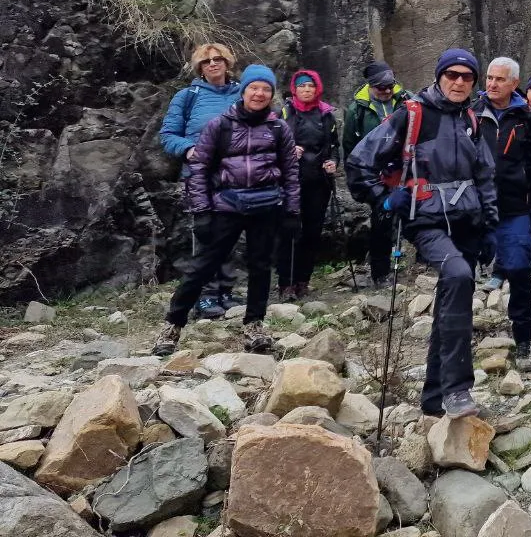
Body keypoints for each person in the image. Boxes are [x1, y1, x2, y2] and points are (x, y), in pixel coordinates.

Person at [346, 48, 499, 418]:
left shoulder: (472, 118)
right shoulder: (412, 114)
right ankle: (459, 390)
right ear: (440, 76)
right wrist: (384, 199)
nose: (460, 82)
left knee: (453, 298)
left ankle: (433, 399)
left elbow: (484, 174)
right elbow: (359, 161)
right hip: (425, 220)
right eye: (453, 75)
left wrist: (490, 225)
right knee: (459, 277)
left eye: (467, 77)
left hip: (467, 220)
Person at [152, 65, 300, 356]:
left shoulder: (278, 128)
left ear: (271, 95)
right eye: (254, 88)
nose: (259, 94)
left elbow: (290, 172)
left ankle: (254, 326)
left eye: (265, 89)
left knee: (260, 267)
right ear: (243, 90)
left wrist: (293, 213)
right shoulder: (219, 125)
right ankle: (172, 325)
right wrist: (202, 212)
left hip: (265, 206)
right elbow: (199, 169)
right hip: (226, 206)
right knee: (202, 267)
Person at [473, 57, 531, 372]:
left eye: (499, 79)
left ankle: (523, 338)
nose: (491, 84)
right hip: (475, 208)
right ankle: (456, 336)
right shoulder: (471, 113)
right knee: (462, 272)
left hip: (515, 207)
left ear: (514, 84)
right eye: (489, 78)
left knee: (520, 269)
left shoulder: (527, 118)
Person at [158, 43, 243, 320]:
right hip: (200, 176)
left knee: (231, 233)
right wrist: (189, 149)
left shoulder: (242, 93)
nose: (213, 64)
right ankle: (206, 295)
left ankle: (226, 290)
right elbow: (168, 134)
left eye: (218, 59)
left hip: (236, 174)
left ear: (227, 63)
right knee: (204, 234)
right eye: (207, 62)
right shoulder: (187, 97)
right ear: (199, 68)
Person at [343, 61, 410, 287]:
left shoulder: (405, 101)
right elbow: (351, 146)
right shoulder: (357, 109)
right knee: (381, 220)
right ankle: (380, 273)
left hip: (405, 169)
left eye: (390, 86)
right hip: (376, 176)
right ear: (370, 85)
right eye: (381, 87)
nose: (387, 91)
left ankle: (417, 263)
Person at [277, 70, 339, 300]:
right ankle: (286, 284)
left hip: (318, 181)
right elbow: (270, 145)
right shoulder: (284, 113)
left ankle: (303, 281)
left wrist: (334, 162)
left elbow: (334, 146)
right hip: (290, 181)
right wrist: (288, 151)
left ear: (317, 88)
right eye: (302, 85)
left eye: (310, 86)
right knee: (289, 231)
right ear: (294, 88)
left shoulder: (326, 114)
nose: (306, 89)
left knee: (312, 232)